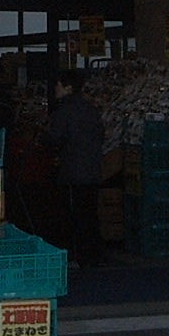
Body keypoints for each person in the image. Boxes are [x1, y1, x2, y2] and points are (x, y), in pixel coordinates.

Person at [45, 69, 106, 269]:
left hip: (72, 171)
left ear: (68, 87)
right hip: (92, 170)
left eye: (59, 84)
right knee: (89, 214)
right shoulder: (91, 110)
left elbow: (53, 138)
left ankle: (76, 256)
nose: (56, 88)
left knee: (72, 216)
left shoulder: (64, 112)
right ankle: (93, 256)